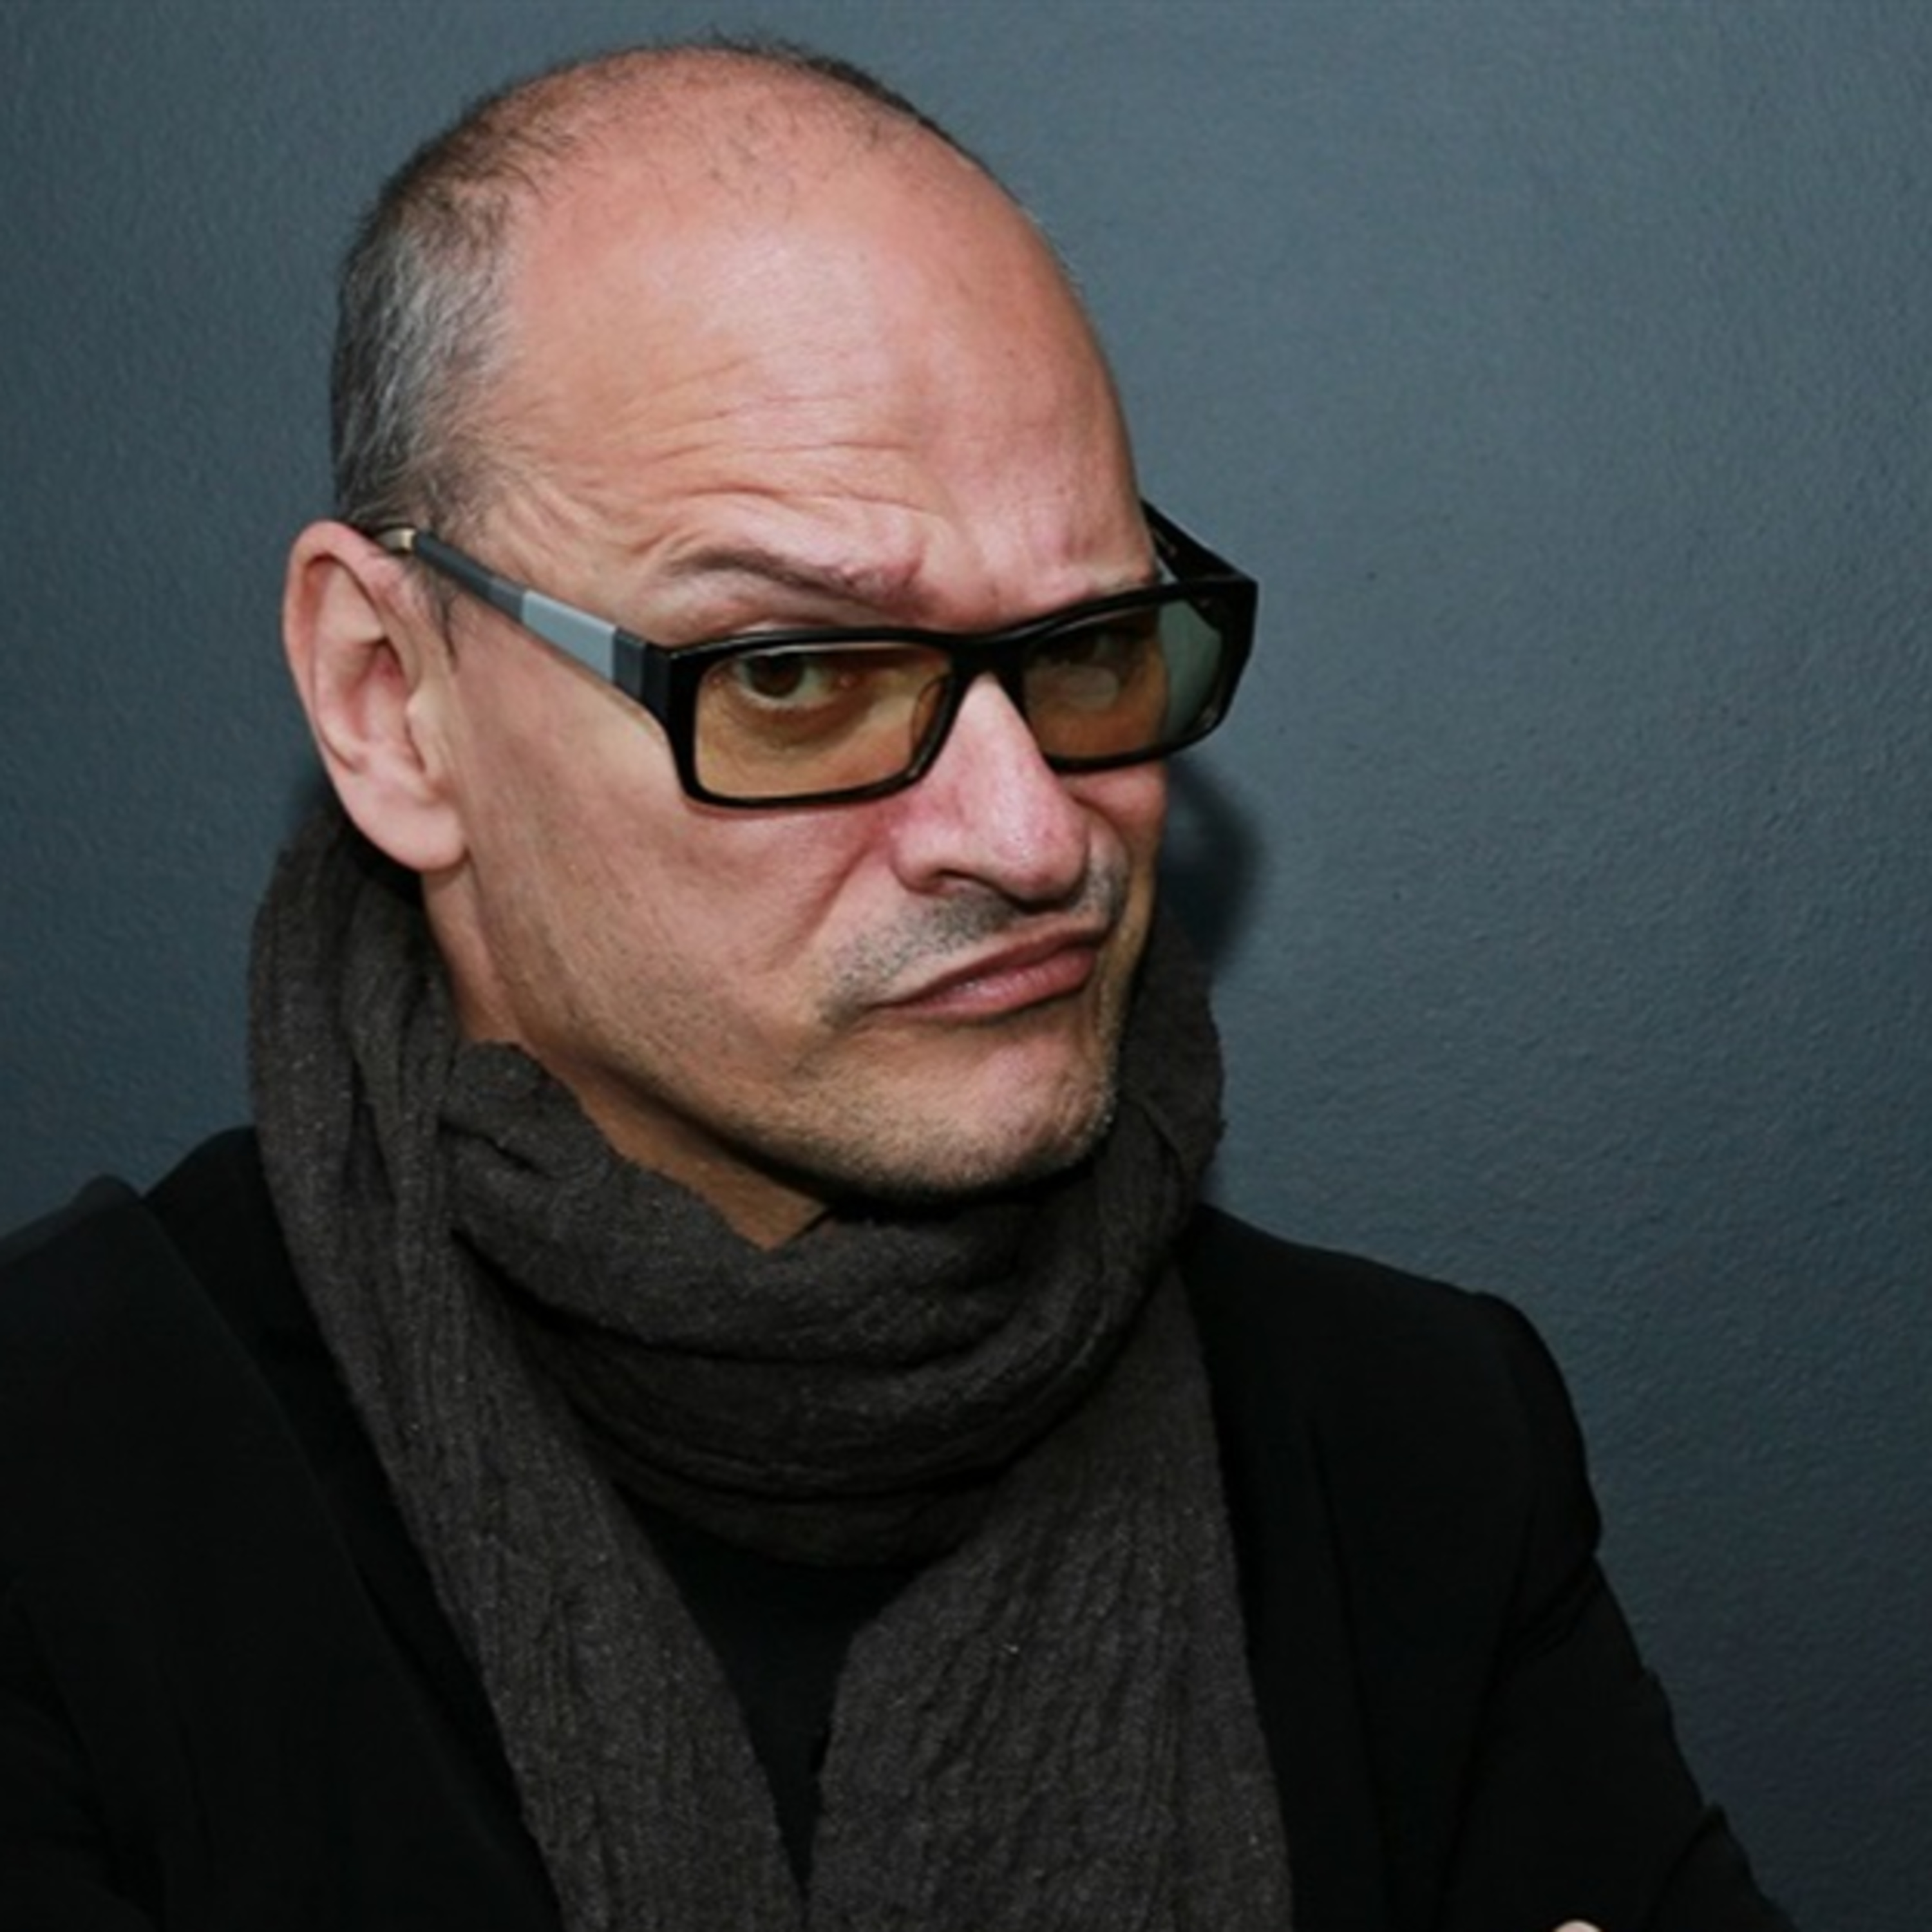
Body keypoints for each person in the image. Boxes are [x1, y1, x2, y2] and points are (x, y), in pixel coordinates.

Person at [0, 40, 1792, 1932]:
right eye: (793, 676)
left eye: (1090, 645)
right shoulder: (57, 1489)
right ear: (392, 703)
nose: (1029, 837)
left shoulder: (1415, 1457)